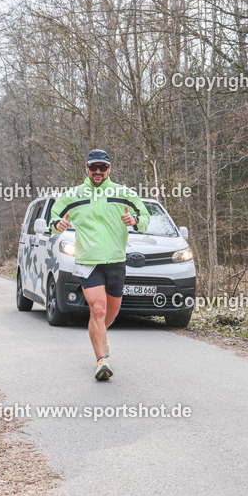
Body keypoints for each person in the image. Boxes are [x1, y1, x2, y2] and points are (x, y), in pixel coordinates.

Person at [49, 149, 150, 381]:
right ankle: (101, 361)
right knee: (98, 308)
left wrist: (136, 221)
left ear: (109, 169)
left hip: (115, 261)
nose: (97, 171)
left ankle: (101, 335)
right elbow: (53, 217)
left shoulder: (122, 193)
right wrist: (58, 224)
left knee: (111, 312)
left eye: (102, 168)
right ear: (86, 168)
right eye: (93, 167)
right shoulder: (74, 195)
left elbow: (144, 216)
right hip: (87, 261)